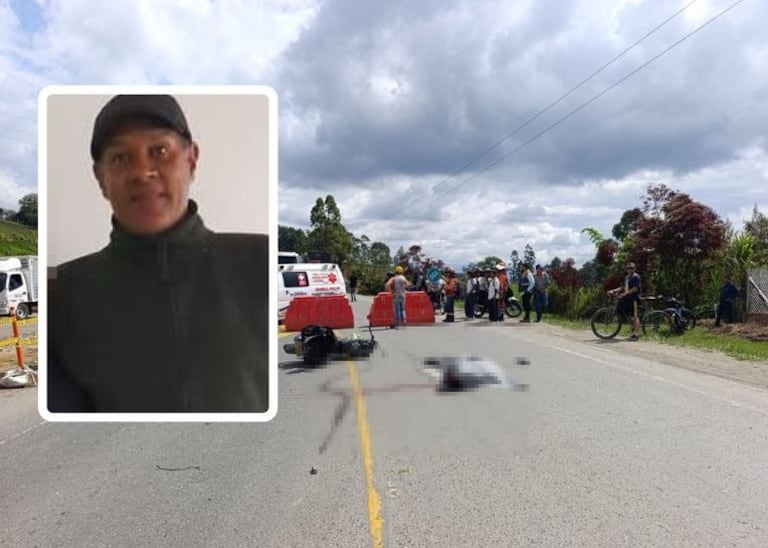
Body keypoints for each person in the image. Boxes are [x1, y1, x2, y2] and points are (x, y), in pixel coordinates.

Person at [47, 94, 269, 413]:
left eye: (159, 151)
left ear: (191, 160)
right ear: (101, 178)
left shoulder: (260, 263)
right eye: (121, 157)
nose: (142, 171)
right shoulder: (62, 293)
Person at [608, 262, 643, 341]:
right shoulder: (627, 277)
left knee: (635, 316)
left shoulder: (636, 277)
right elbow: (622, 287)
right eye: (628, 268)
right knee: (624, 312)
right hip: (627, 299)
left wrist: (626, 293)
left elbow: (635, 288)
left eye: (631, 268)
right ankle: (633, 328)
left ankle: (636, 334)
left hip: (634, 299)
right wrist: (613, 290)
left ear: (635, 269)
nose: (629, 270)